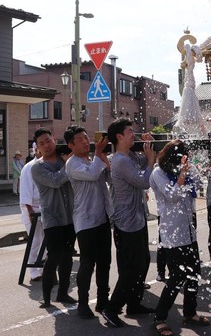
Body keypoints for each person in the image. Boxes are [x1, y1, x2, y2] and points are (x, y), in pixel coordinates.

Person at [150, 140, 210, 336]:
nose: (184, 160)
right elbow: (173, 195)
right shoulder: (158, 173)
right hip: (172, 234)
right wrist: (184, 172)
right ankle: (160, 317)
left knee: (194, 273)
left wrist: (192, 170)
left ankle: (190, 312)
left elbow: (199, 185)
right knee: (176, 277)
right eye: (182, 156)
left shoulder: (181, 170)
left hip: (188, 231)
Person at [101, 118, 156, 328]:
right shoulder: (119, 160)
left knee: (141, 263)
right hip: (126, 223)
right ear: (119, 137)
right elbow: (144, 180)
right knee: (131, 268)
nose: (134, 134)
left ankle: (134, 304)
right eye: (130, 132)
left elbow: (144, 164)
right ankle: (111, 308)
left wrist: (149, 149)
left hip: (138, 218)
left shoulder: (130, 155)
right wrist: (150, 160)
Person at [64, 126, 113, 318]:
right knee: (87, 263)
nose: (86, 141)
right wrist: (99, 152)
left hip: (102, 218)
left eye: (86, 137)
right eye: (80, 139)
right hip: (85, 221)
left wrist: (104, 158)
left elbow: (109, 177)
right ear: (71, 145)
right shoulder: (72, 164)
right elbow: (93, 175)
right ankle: (83, 303)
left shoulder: (93, 159)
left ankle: (103, 301)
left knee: (105, 262)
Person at [31, 128, 77, 308]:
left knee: (67, 257)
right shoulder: (37, 167)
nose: (46, 145)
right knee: (54, 256)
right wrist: (68, 164)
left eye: (47, 141)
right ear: (38, 148)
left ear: (54, 139)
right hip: (52, 218)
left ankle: (63, 293)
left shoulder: (64, 158)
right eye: (41, 143)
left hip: (71, 217)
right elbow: (55, 181)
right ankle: (46, 297)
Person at [19, 146, 44, 282]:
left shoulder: (47, 165)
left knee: (45, 240)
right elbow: (26, 192)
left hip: (44, 207)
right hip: (31, 208)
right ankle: (33, 271)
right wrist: (30, 211)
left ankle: (43, 268)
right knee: (35, 240)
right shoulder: (29, 167)